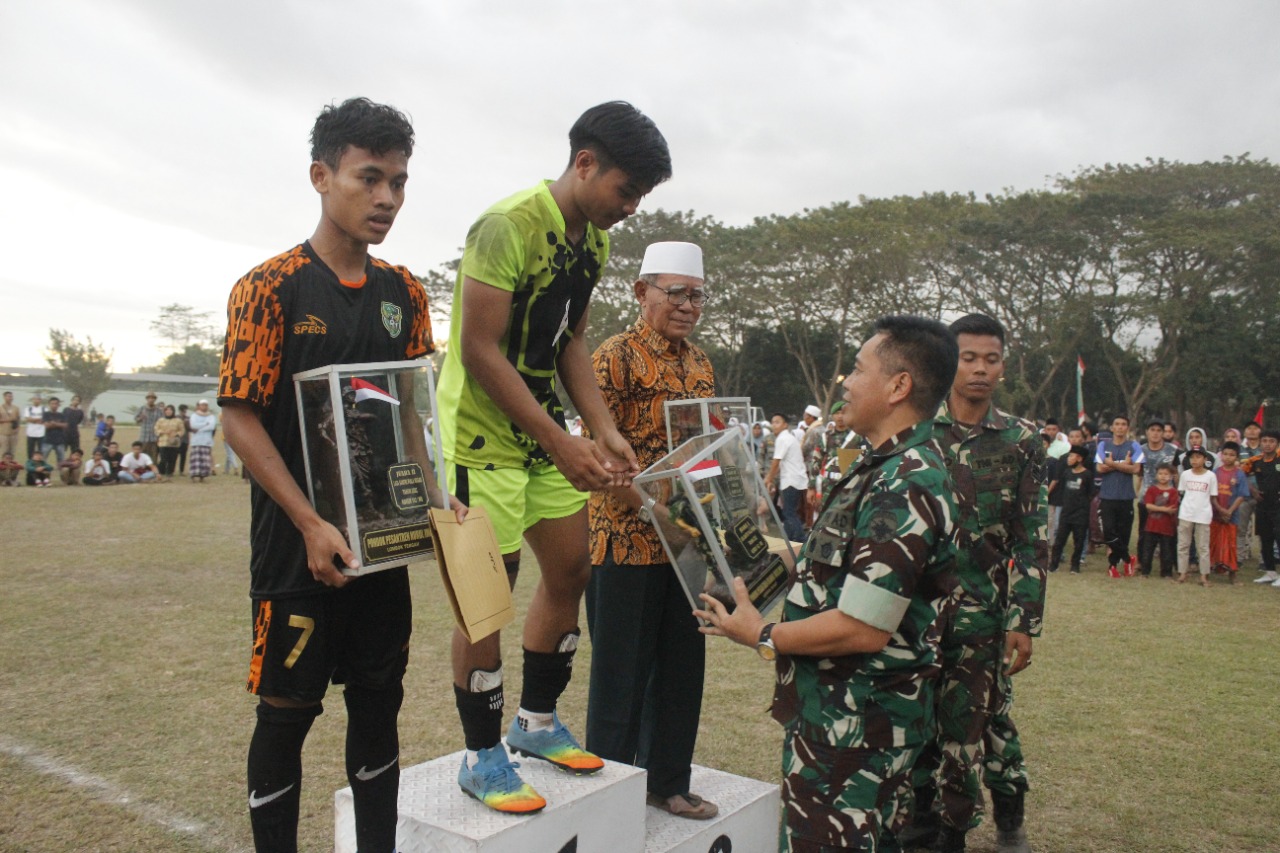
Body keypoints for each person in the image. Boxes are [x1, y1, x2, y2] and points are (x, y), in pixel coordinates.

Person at [216, 97, 463, 853]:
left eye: (399, 182)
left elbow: (410, 412)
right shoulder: (270, 286)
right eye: (369, 178)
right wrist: (310, 522)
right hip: (296, 553)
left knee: (379, 703)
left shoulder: (404, 293)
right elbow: (239, 417)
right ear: (321, 177)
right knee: (286, 712)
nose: (387, 198)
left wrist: (436, 496)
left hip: (381, 549)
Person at [436, 101, 671, 814]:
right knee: (486, 600)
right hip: (481, 438)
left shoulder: (592, 242)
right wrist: (560, 439)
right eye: (626, 190)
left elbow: (570, 341)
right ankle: (481, 756)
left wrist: (600, 427)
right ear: (585, 163)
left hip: (543, 434)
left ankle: (535, 724)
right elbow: (478, 349)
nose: (630, 208)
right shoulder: (506, 225)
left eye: (641, 196)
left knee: (571, 569)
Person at [695, 315, 959, 853]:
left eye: (858, 369)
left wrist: (762, 634)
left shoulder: (904, 480)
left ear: (898, 386)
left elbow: (862, 627)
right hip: (840, 718)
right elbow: (835, 561)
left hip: (856, 727)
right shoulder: (882, 465)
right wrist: (748, 562)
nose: (845, 383)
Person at [585, 241, 719, 819]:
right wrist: (651, 510)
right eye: (676, 293)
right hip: (624, 539)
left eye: (698, 296)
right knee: (620, 678)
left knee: (682, 670)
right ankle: (609, 801)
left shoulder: (701, 364)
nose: (688, 306)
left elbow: (706, 451)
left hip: (685, 544)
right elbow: (596, 455)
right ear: (642, 292)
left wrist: (715, 516)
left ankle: (668, 782)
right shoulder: (612, 357)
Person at [904, 313, 1046, 853]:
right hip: (917, 612)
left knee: (973, 726)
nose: (981, 369)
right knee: (917, 718)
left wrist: (1023, 620)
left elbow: (1031, 539)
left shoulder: (1021, 440)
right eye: (969, 358)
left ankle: (972, 828)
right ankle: (920, 825)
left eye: (991, 359)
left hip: (983, 615)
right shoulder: (917, 430)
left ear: (1003, 366)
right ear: (950, 362)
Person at [1094, 416, 1144, 578]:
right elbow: (1100, 468)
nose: (1120, 427)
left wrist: (1112, 464)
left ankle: (1113, 565)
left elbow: (1136, 469)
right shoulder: (1103, 445)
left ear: (1127, 428)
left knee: (1123, 533)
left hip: (1126, 496)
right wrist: (1123, 465)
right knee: (1109, 532)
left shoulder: (1134, 446)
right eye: (1117, 424)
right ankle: (1128, 559)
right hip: (1107, 496)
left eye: (1123, 424)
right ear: (1112, 427)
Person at [1137, 420, 1178, 576]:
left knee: (1169, 535)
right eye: (1152, 429)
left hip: (1169, 497)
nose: (1155, 433)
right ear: (1147, 432)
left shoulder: (1173, 450)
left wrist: (1177, 492)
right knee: (1144, 533)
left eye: (1159, 430)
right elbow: (1139, 472)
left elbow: (1176, 473)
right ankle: (1142, 563)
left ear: (1163, 433)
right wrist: (1138, 491)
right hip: (1146, 498)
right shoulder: (1140, 450)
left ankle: (1169, 567)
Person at [1049, 445, 1095, 574]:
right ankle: (1054, 564)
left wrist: (1082, 505)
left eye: (1071, 456)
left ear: (1079, 459)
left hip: (1080, 514)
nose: (1068, 459)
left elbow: (1091, 493)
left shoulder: (1087, 475)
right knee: (1059, 540)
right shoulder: (1067, 473)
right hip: (1066, 513)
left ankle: (1075, 565)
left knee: (1078, 541)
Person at [1209, 442, 1250, 582]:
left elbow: (1242, 495)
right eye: (1225, 454)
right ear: (1221, 455)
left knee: (1231, 544)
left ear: (1237, 457)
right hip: (1215, 514)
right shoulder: (1215, 473)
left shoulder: (1239, 474)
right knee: (1213, 542)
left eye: (1232, 455)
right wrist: (1220, 509)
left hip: (1232, 516)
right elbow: (1212, 494)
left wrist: (1229, 511)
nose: (1228, 457)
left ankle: (1232, 574)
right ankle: (1212, 568)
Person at [1244, 429, 1280, 585]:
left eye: (1271, 441)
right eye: (1264, 441)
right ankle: (1270, 572)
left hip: (1278, 505)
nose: (1267, 444)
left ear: (1277, 443)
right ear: (1260, 442)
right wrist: (1253, 490)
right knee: (1265, 538)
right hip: (1262, 504)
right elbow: (1241, 474)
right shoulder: (1254, 461)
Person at [1176, 448, 1216, 587]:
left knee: (1203, 547)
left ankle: (1204, 575)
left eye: (1198, 457)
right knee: (1183, 545)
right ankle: (1182, 573)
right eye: (1192, 457)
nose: (1194, 460)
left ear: (1205, 459)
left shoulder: (1210, 476)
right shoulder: (1185, 474)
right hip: (1186, 513)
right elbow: (1182, 492)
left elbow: (1212, 496)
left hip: (1203, 514)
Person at [766, 412, 808, 542]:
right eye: (773, 422)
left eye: (777, 422)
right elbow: (779, 464)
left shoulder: (783, 438)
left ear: (785, 425)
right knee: (788, 511)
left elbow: (776, 462)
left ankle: (801, 539)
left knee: (789, 512)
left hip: (791, 480)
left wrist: (768, 479)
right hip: (794, 479)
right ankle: (789, 539)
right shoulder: (788, 438)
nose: (774, 425)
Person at [1139, 463, 1180, 578]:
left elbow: (1172, 509)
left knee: (1167, 551)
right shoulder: (1152, 489)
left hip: (1167, 527)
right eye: (1160, 473)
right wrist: (1164, 509)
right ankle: (1145, 572)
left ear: (1171, 476)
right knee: (1147, 550)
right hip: (1151, 526)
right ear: (1156, 475)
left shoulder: (1173, 492)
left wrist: (1157, 508)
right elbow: (1148, 505)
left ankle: (1166, 573)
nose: (1163, 476)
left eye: (1166, 474)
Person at [1237, 421, 1262, 567]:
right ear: (1244, 432)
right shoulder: (1239, 450)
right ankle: (1238, 558)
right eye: (1249, 428)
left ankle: (1264, 560)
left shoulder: (1265, 449)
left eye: (1255, 428)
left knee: (1263, 530)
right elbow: (1238, 472)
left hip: (1262, 495)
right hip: (1244, 495)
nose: (1252, 431)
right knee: (1240, 529)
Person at [188, 400, 218, 482]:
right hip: (196, 441)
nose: (204, 407)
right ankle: (193, 476)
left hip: (206, 441)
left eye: (205, 405)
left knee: (205, 460)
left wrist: (199, 428)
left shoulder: (211, 416)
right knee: (195, 459)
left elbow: (211, 426)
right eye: (202, 405)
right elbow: (193, 425)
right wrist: (205, 424)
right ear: (199, 406)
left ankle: (202, 477)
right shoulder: (194, 415)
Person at [155, 404, 185, 477]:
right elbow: (156, 429)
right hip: (163, 442)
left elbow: (182, 430)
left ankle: (170, 472)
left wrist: (176, 434)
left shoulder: (178, 421)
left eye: (170, 410)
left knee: (172, 459)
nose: (168, 411)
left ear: (173, 411)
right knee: (163, 458)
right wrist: (162, 432)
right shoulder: (160, 420)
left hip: (173, 443)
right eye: (167, 410)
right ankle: (161, 471)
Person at [135, 392, 162, 460]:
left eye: (153, 398)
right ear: (146, 399)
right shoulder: (142, 408)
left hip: (154, 438)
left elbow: (162, 422)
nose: (151, 399)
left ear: (155, 399)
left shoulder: (159, 410)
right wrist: (141, 418)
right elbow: (136, 420)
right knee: (142, 457)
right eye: (149, 398)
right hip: (144, 437)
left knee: (153, 458)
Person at [42, 397, 69, 465]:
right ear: (49, 404)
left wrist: (54, 423)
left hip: (60, 440)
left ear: (58, 405)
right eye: (52, 403)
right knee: (43, 458)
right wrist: (59, 424)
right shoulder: (46, 414)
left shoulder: (62, 415)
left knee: (61, 460)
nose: (54, 405)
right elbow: (46, 426)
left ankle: (60, 470)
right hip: (48, 440)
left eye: (56, 404)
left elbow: (65, 425)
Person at [22, 394, 45, 460]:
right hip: (31, 433)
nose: (36, 401)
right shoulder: (28, 409)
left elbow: (45, 419)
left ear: (40, 400)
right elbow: (28, 419)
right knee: (30, 451)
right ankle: (30, 463)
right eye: (35, 399)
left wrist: (33, 420)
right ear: (32, 400)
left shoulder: (44, 409)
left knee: (41, 451)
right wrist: (38, 420)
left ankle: (40, 463)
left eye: (38, 399)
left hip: (41, 433)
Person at [0, 391, 20, 459]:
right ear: (4, 397)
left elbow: (18, 419)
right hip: (3, 433)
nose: (10, 398)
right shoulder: (1, 408)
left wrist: (17, 429)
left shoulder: (16, 408)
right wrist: (9, 420)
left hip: (13, 433)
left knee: (12, 452)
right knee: (4, 451)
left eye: (11, 396)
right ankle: (3, 465)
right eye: (8, 396)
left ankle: (12, 465)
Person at [176, 403, 192, 475]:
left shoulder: (188, 418)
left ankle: (181, 471)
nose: (184, 412)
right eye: (182, 411)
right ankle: (171, 469)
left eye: (185, 411)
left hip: (185, 440)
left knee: (183, 456)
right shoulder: (175, 418)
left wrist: (187, 424)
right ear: (179, 410)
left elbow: (190, 429)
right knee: (174, 455)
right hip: (176, 439)